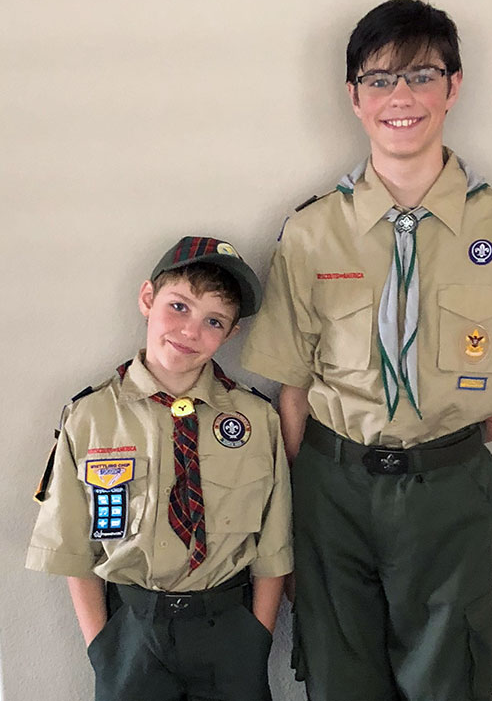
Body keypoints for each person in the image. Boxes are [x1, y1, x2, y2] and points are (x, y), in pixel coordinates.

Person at [241, 0, 492, 701]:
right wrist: (293, 517)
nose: (402, 97)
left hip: (448, 492)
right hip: (331, 489)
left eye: (422, 75)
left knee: (449, 677)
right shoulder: (311, 233)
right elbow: (293, 391)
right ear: (354, 97)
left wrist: (442, 441)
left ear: (454, 87)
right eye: (380, 79)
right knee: (339, 676)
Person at [26, 236, 293, 701]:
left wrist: (257, 637)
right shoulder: (91, 417)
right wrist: (103, 647)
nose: (191, 331)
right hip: (131, 629)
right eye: (179, 306)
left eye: (214, 320)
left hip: (229, 628)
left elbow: (274, 543)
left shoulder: (255, 419)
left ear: (230, 334)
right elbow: (71, 548)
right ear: (148, 299)